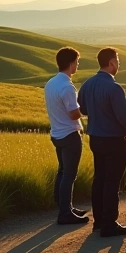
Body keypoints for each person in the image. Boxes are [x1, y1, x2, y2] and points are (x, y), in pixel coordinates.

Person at [77, 47, 126, 237]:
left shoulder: (87, 84)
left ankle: (99, 221)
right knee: (112, 182)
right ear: (111, 63)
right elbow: (123, 116)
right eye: (117, 61)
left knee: (100, 180)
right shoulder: (114, 88)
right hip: (114, 141)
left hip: (95, 138)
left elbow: (83, 109)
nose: (118, 64)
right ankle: (110, 223)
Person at [46, 47, 89, 225]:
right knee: (69, 174)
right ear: (71, 64)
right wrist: (86, 110)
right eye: (77, 62)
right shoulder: (67, 87)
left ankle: (64, 206)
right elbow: (73, 114)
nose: (77, 65)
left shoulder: (51, 83)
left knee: (62, 170)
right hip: (70, 134)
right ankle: (65, 212)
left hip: (56, 133)